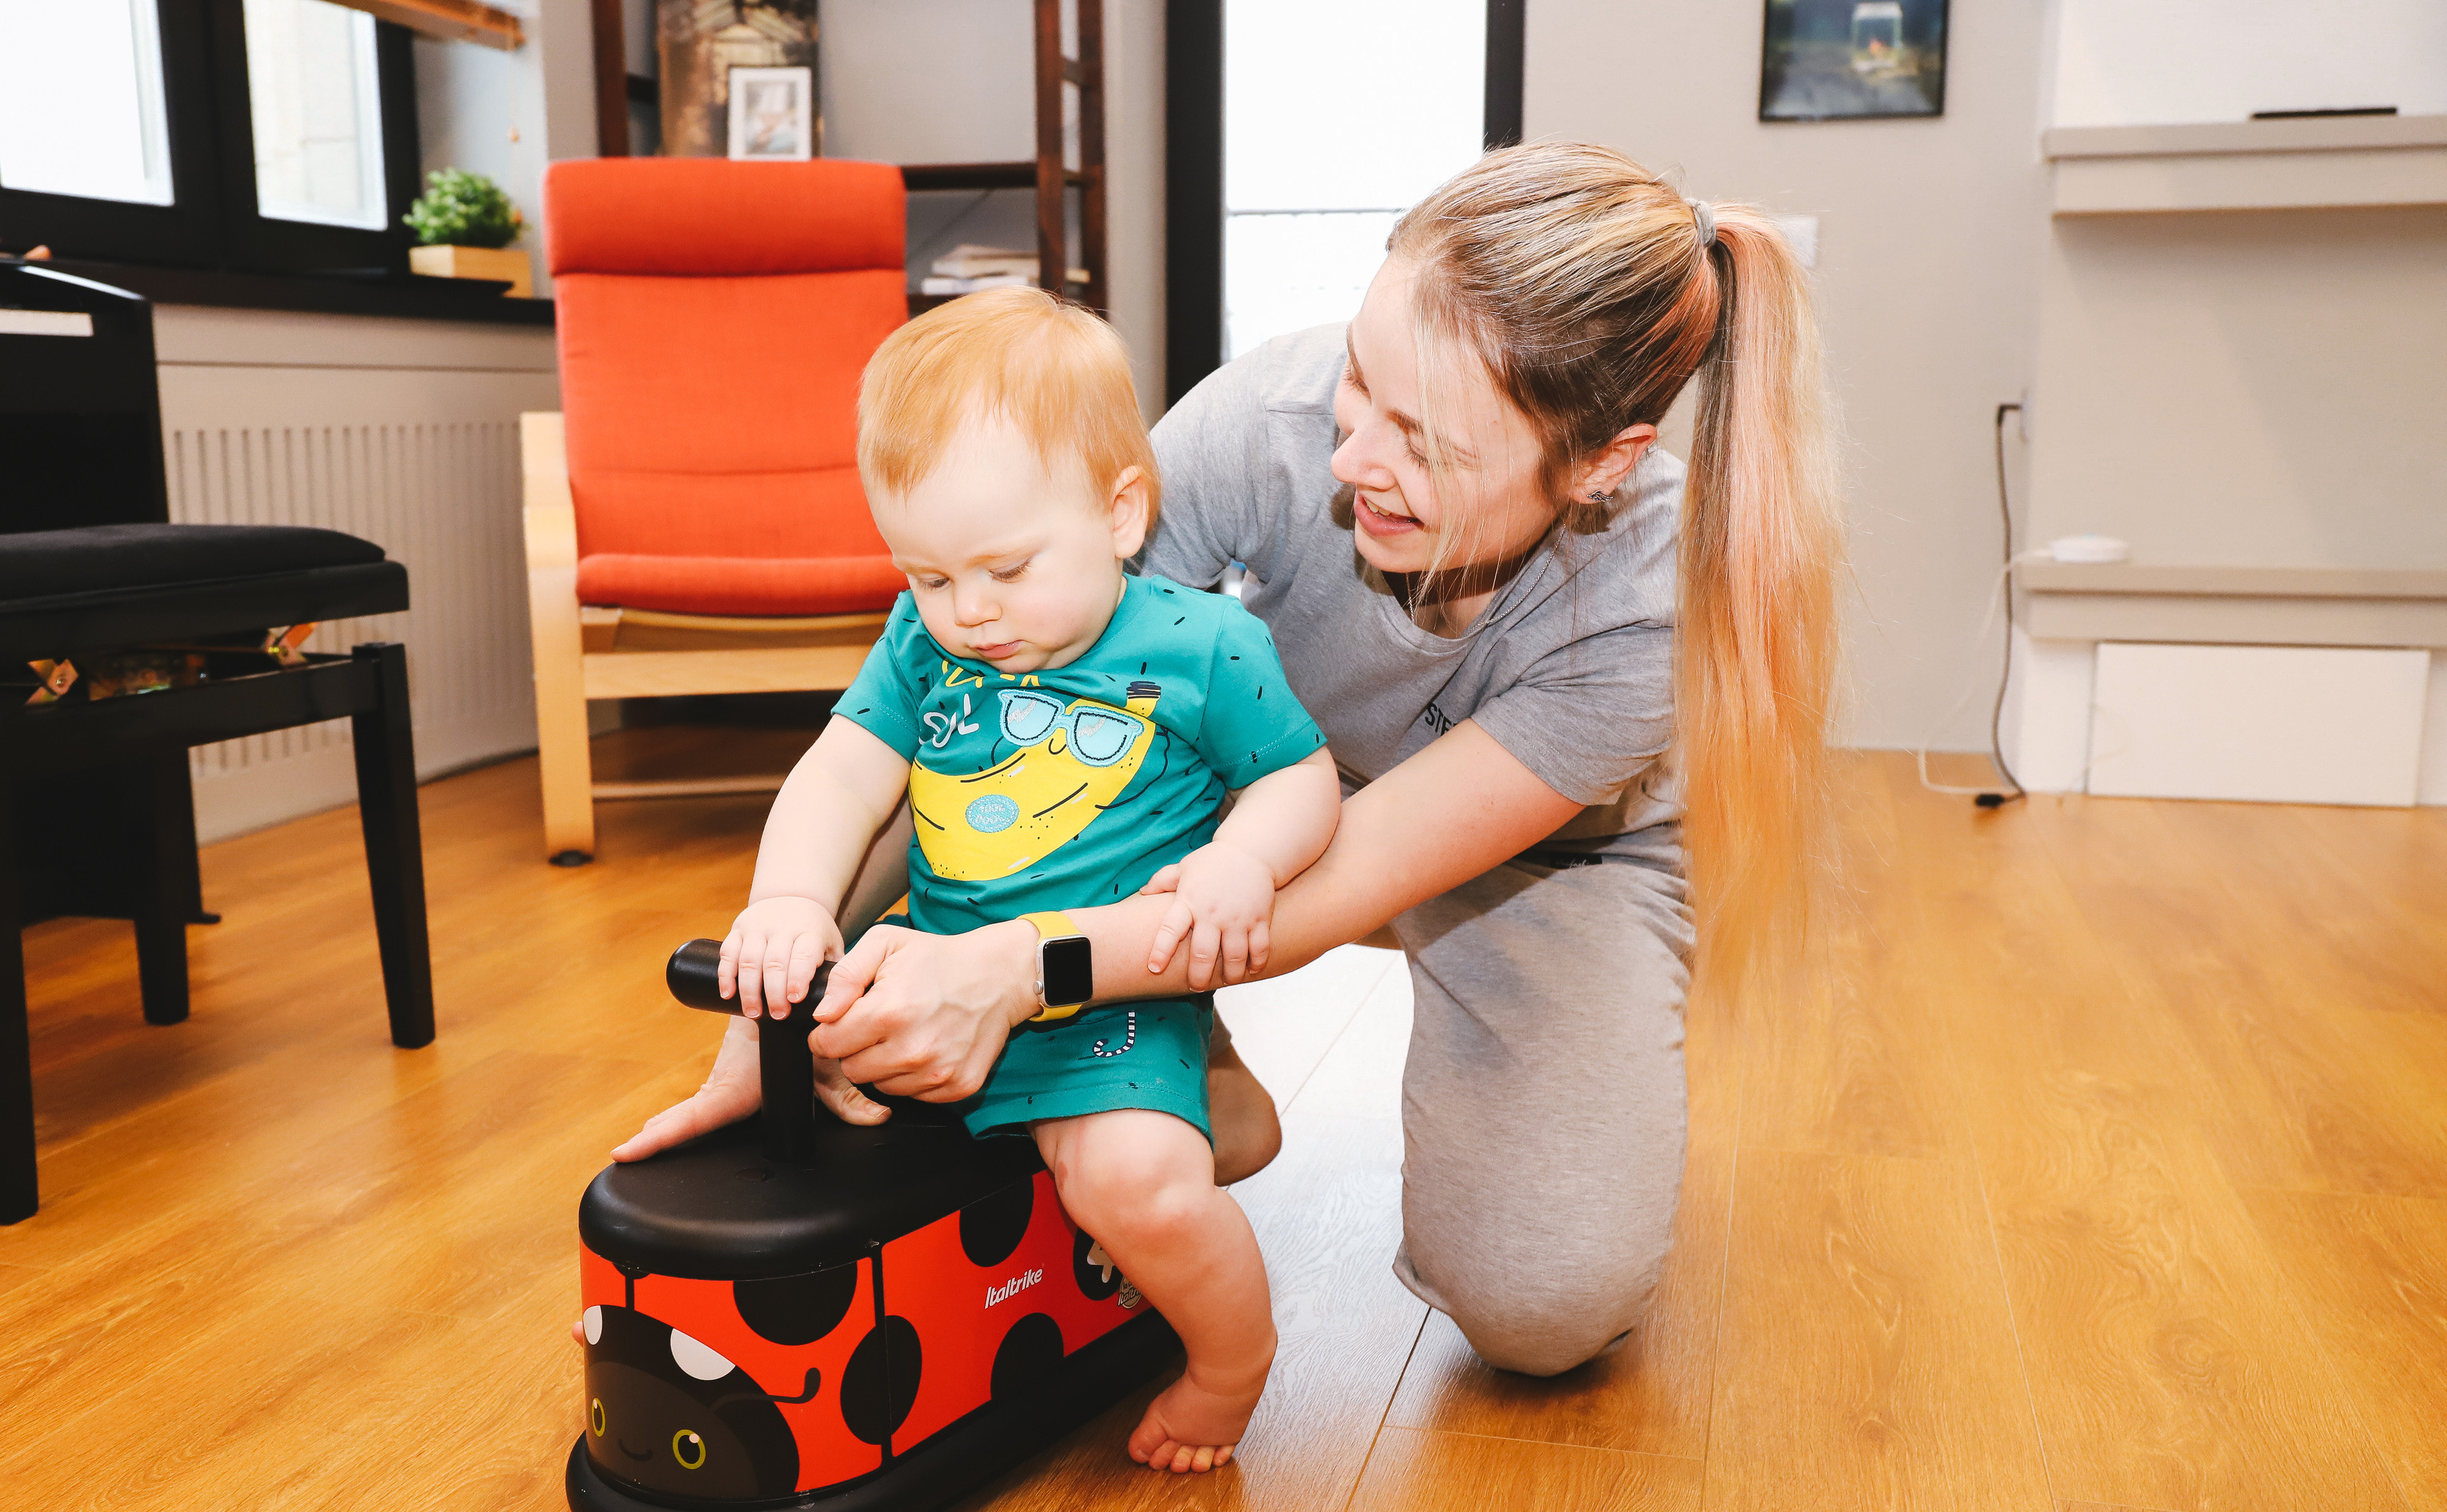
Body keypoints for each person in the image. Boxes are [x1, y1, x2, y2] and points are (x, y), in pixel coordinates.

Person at [622, 141, 1840, 1382]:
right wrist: (772, 1014)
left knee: (1542, 1307)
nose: (1354, 455)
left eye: (1427, 446)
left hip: (1536, 862)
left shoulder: (1648, 606)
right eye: (1362, 380)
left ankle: (1143, 1022)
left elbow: (1316, 894)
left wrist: (1011, 972)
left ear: (1599, 466)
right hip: (1240, 795)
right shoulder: (1267, 421)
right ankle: (1179, 1052)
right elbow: (977, 711)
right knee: (993, 704)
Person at [635, 289, 1341, 1472]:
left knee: (1134, 1190)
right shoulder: (929, 643)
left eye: (1005, 569)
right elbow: (840, 777)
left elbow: (1304, 778)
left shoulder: (1202, 646)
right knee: (788, 1102)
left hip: (1108, 1005)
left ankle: (1232, 1361)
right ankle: (688, 1344)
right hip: (932, 972)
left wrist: (1241, 860)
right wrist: (792, 901)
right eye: (926, 575)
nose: (967, 612)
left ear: (1121, 514)